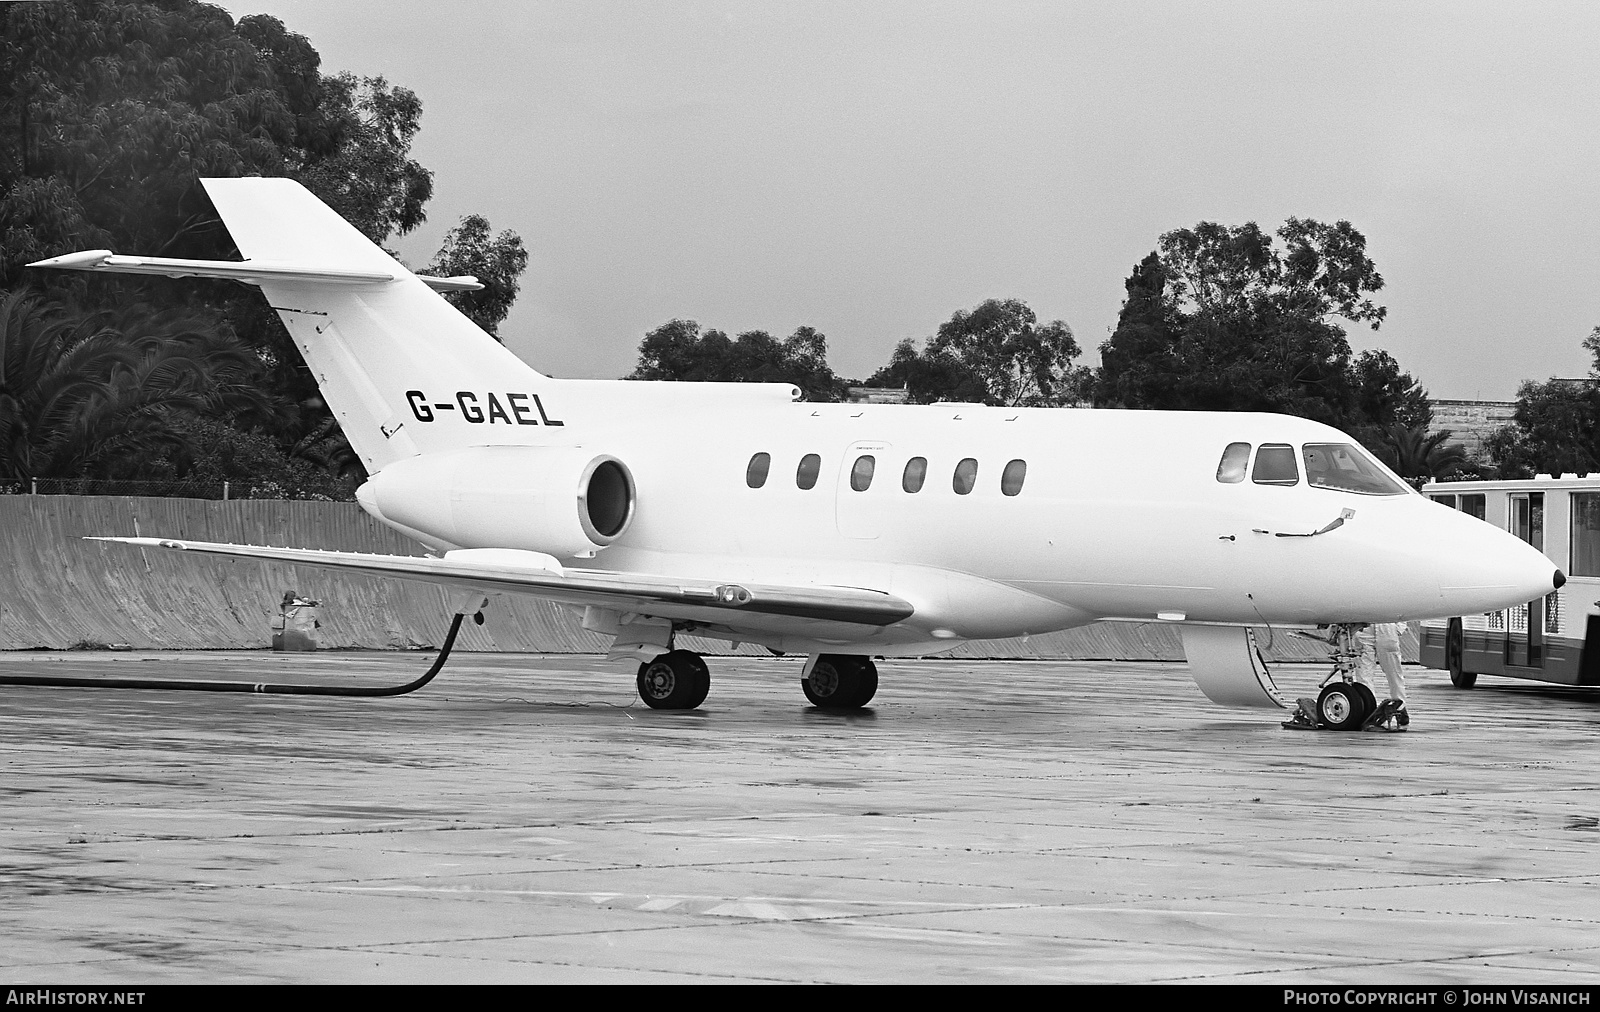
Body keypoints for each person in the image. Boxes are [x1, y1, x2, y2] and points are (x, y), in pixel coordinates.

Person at [1356, 622, 1409, 729]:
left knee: (1393, 672)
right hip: (1364, 626)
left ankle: (1400, 707)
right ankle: (1369, 712)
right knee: (1364, 673)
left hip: (1386, 626)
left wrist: (1398, 628)